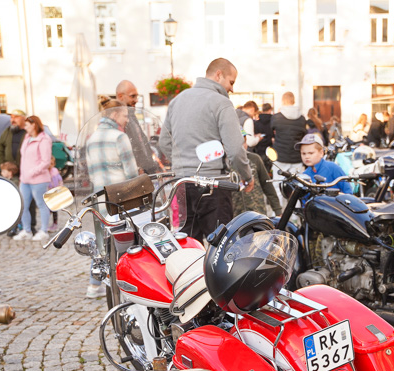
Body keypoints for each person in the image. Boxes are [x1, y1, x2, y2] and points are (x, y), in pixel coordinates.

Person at [158, 58, 253, 242]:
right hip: (213, 184)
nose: (232, 88)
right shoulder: (221, 103)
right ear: (218, 75)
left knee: (188, 245)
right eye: (231, 82)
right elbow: (235, 149)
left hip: (182, 183)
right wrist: (247, 176)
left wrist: (183, 163)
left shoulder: (177, 101)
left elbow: (164, 143)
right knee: (221, 246)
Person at [85, 99, 139, 297]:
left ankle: (94, 285)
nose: (126, 119)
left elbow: (90, 172)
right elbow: (131, 172)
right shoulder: (119, 137)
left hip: (99, 196)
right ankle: (127, 286)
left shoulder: (91, 139)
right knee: (124, 240)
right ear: (115, 115)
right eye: (125, 115)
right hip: (120, 197)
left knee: (102, 241)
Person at [14, 116, 53, 242]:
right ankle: (27, 230)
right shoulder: (26, 138)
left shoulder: (44, 139)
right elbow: (23, 159)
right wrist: (23, 175)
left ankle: (44, 230)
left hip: (39, 179)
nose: (24, 127)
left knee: (41, 204)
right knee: (23, 205)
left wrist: (33, 172)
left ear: (34, 125)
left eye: (27, 125)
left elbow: (46, 161)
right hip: (25, 179)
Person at [0, 109, 34, 235]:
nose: (12, 120)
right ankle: (13, 226)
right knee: (11, 200)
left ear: (24, 118)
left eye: (16, 117)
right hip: (10, 172)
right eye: (11, 117)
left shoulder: (28, 132)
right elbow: (0, 147)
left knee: (28, 200)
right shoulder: (7, 132)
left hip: (25, 171)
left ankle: (30, 226)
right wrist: (3, 165)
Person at [115, 80, 159, 174]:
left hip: (145, 173)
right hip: (135, 175)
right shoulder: (117, 119)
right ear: (120, 96)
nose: (136, 100)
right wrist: (137, 169)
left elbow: (140, 143)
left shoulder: (131, 115)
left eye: (136, 96)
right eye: (132, 96)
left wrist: (151, 165)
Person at [270, 92, 307, 182]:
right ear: (293, 101)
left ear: (282, 101)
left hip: (280, 155)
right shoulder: (302, 119)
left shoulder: (276, 117)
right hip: (296, 156)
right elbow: (303, 136)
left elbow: (271, 133)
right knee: (296, 184)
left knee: (278, 184)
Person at [252, 102, 274, 170]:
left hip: (259, 150)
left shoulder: (256, 123)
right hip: (271, 150)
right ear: (270, 110)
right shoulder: (273, 122)